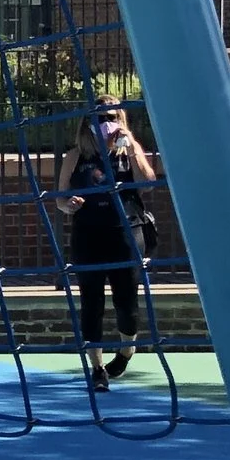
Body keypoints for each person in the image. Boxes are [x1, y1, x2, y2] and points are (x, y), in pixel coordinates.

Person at [52, 99, 158, 391]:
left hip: (126, 232)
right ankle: (97, 367)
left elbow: (147, 184)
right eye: (98, 119)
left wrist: (131, 145)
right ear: (87, 123)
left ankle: (126, 351)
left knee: (126, 300)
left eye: (110, 117)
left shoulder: (128, 152)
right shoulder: (76, 156)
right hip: (88, 234)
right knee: (91, 302)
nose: (105, 123)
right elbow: (61, 198)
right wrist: (69, 205)